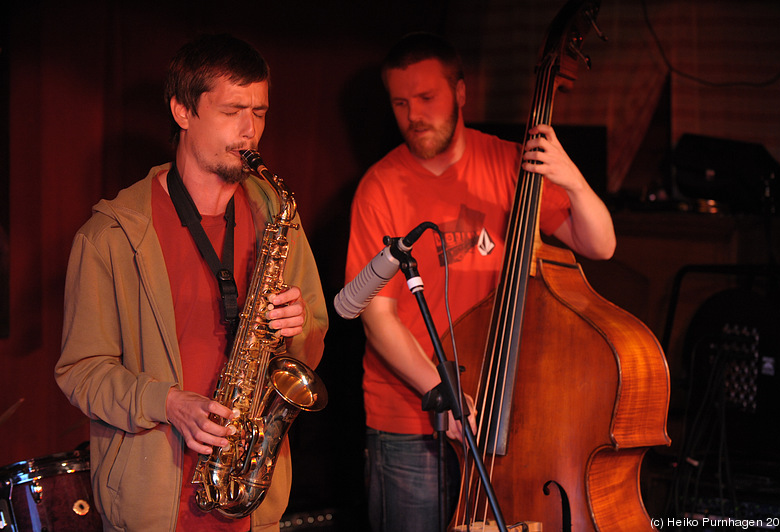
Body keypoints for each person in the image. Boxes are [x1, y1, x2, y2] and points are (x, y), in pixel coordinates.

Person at [343, 32, 616, 532]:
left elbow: (599, 244)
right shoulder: (378, 187)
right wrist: (442, 391)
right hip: (410, 417)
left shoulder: (512, 164)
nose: (414, 115)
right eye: (401, 103)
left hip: (504, 413)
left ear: (461, 94)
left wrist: (572, 179)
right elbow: (376, 318)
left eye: (427, 98)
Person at [55, 34, 327, 531]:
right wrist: (169, 403)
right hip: (153, 506)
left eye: (260, 113)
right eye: (232, 111)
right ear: (182, 111)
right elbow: (80, 372)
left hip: (251, 501)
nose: (250, 132)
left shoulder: (276, 216)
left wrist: (299, 326)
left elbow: (311, 344)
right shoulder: (110, 235)